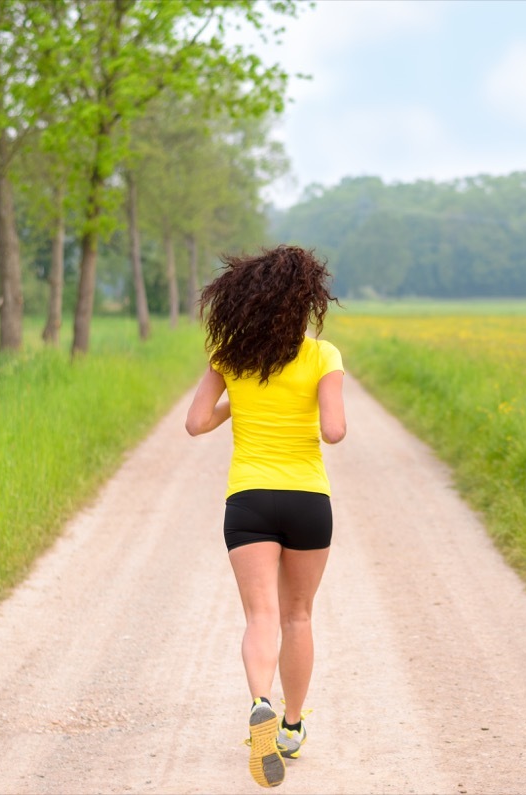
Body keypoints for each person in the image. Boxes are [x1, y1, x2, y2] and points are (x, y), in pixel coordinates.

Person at [185, 244, 345, 789]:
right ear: (306, 302)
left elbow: (195, 422)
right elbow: (334, 431)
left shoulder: (229, 356)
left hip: (248, 499)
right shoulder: (324, 355)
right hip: (306, 498)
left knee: (261, 616)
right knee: (298, 615)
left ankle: (261, 702)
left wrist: (241, 401)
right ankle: (292, 728)